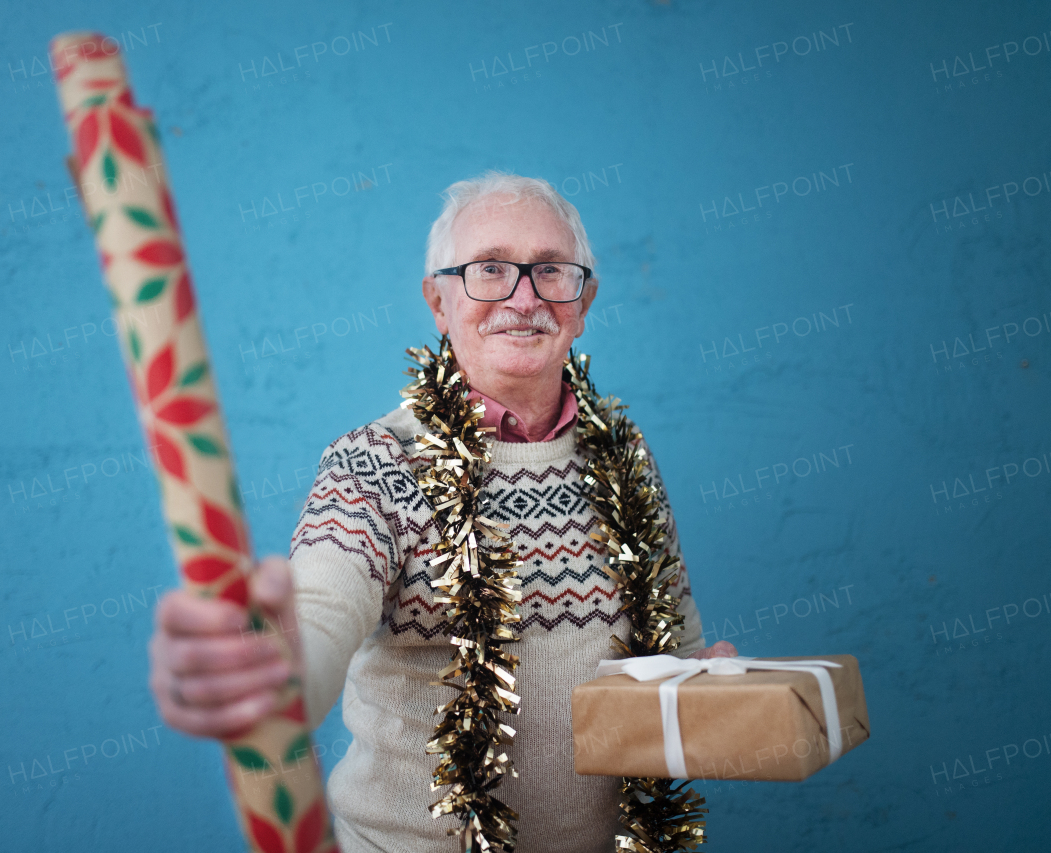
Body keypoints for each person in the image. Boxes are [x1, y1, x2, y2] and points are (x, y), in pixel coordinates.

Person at [147, 172, 736, 852]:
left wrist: (714, 686)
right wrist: (266, 666)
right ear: (438, 299)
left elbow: (679, 650)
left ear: (584, 300)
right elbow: (317, 616)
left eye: (550, 270)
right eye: (489, 269)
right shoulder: (372, 464)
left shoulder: (624, 455)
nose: (523, 297)